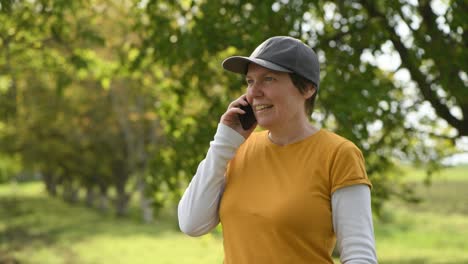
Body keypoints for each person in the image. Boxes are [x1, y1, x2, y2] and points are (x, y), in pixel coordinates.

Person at [178, 36, 377, 264]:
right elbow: (191, 224)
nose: (254, 93)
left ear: (308, 88)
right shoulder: (237, 148)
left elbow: (359, 255)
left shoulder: (339, 154)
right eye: (250, 81)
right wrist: (224, 141)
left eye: (269, 79)